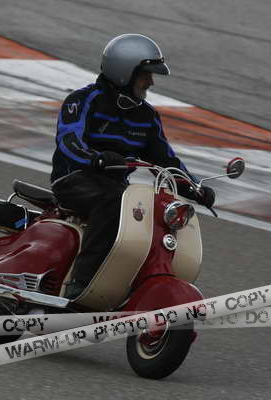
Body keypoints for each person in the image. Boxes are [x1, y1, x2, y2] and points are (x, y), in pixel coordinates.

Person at [50, 33, 215, 299]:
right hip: (74, 179)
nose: (150, 82)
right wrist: (96, 158)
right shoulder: (83, 101)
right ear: (124, 72)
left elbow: (167, 161)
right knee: (113, 199)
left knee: (150, 209)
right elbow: (68, 141)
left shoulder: (146, 116)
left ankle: (128, 283)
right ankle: (81, 281)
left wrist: (194, 188)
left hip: (117, 188)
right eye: (145, 75)